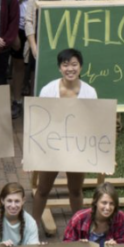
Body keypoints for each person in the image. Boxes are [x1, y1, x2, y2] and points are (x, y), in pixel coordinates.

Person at [31, 48, 98, 230]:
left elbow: (93, 125)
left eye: (74, 65)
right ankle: (31, 228)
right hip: (51, 148)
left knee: (75, 190)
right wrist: (32, 152)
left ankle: (80, 229)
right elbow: (38, 121)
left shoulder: (90, 93)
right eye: (65, 64)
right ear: (60, 68)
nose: (70, 69)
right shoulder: (48, 90)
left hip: (77, 149)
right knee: (43, 189)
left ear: (81, 68)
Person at [8, 0, 44, 116]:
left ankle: (33, 102)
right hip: (20, 26)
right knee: (19, 65)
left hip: (41, 27)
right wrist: (12, 30)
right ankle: (17, 100)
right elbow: (9, 3)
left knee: (36, 66)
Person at [63, 182, 124, 247]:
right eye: (104, 203)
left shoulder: (121, 218)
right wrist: (78, 246)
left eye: (112, 204)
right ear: (95, 202)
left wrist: (117, 246)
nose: (108, 207)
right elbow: (66, 246)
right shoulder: (79, 218)